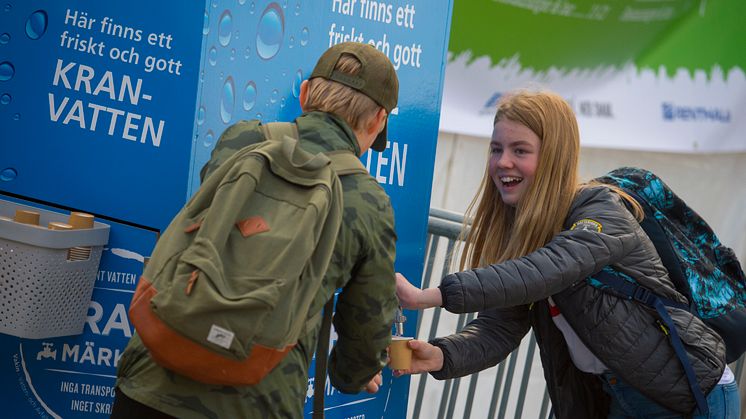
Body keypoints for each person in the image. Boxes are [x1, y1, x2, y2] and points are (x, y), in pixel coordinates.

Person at [395, 90, 740, 418]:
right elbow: (501, 326)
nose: (503, 162)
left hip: (692, 396)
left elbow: (548, 269)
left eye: (520, 150)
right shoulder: (526, 229)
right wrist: (441, 355)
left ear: (553, 157)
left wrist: (432, 295)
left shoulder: (603, 209)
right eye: (496, 148)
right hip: (621, 396)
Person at [112, 42, 400, 418]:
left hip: (153, 379)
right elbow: (366, 332)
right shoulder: (369, 202)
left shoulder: (243, 140)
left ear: (305, 93)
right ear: (378, 119)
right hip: (261, 401)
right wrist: (353, 374)